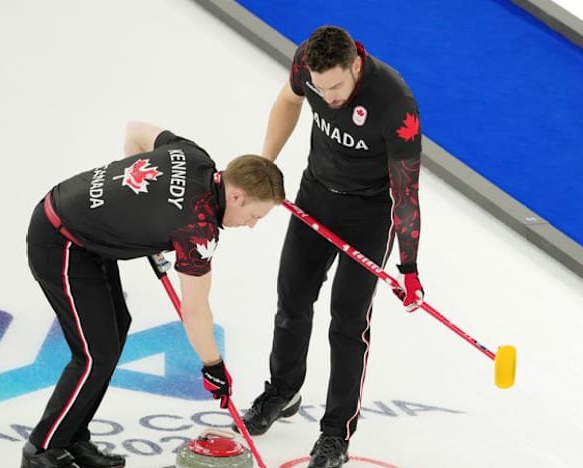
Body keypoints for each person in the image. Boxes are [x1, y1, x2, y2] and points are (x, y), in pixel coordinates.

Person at [21, 121, 285, 468]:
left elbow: (136, 131)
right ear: (237, 196)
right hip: (62, 240)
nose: (251, 225)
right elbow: (194, 310)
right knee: (94, 354)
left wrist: (135, 208)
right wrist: (213, 365)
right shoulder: (198, 229)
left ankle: (73, 436)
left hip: (86, 235)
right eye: (254, 215)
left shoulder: (194, 156)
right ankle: (42, 450)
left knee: (115, 329)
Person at [238, 25, 424, 467]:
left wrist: (409, 267)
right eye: (321, 89)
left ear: (356, 64)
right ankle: (283, 392)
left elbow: (407, 192)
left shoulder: (395, 105)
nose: (329, 97)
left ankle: (336, 433)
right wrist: (267, 162)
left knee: (347, 320)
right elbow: (288, 100)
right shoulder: (308, 63)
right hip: (315, 195)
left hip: (368, 213)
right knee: (293, 300)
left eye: (337, 86)